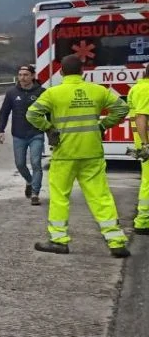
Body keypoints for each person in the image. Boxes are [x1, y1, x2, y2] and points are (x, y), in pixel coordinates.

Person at [25, 54, 129, 257]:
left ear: (61, 72)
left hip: (65, 154)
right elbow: (122, 108)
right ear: (82, 71)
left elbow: (31, 114)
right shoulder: (98, 91)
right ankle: (116, 241)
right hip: (91, 153)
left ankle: (58, 240)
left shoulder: (54, 93)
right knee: (100, 196)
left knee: (60, 197)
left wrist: (49, 128)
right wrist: (103, 125)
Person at [0, 64, 46, 205]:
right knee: (20, 164)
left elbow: (49, 113)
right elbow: (4, 112)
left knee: (36, 163)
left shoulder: (41, 92)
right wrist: (0, 130)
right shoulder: (12, 92)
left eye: (25, 75)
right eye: (20, 75)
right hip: (18, 134)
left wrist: (52, 129)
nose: (22, 78)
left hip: (36, 133)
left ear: (32, 76)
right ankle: (30, 181)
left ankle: (35, 193)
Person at [125, 62, 149, 236]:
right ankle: (142, 221)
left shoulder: (139, 88)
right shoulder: (145, 89)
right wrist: (145, 145)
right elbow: (141, 117)